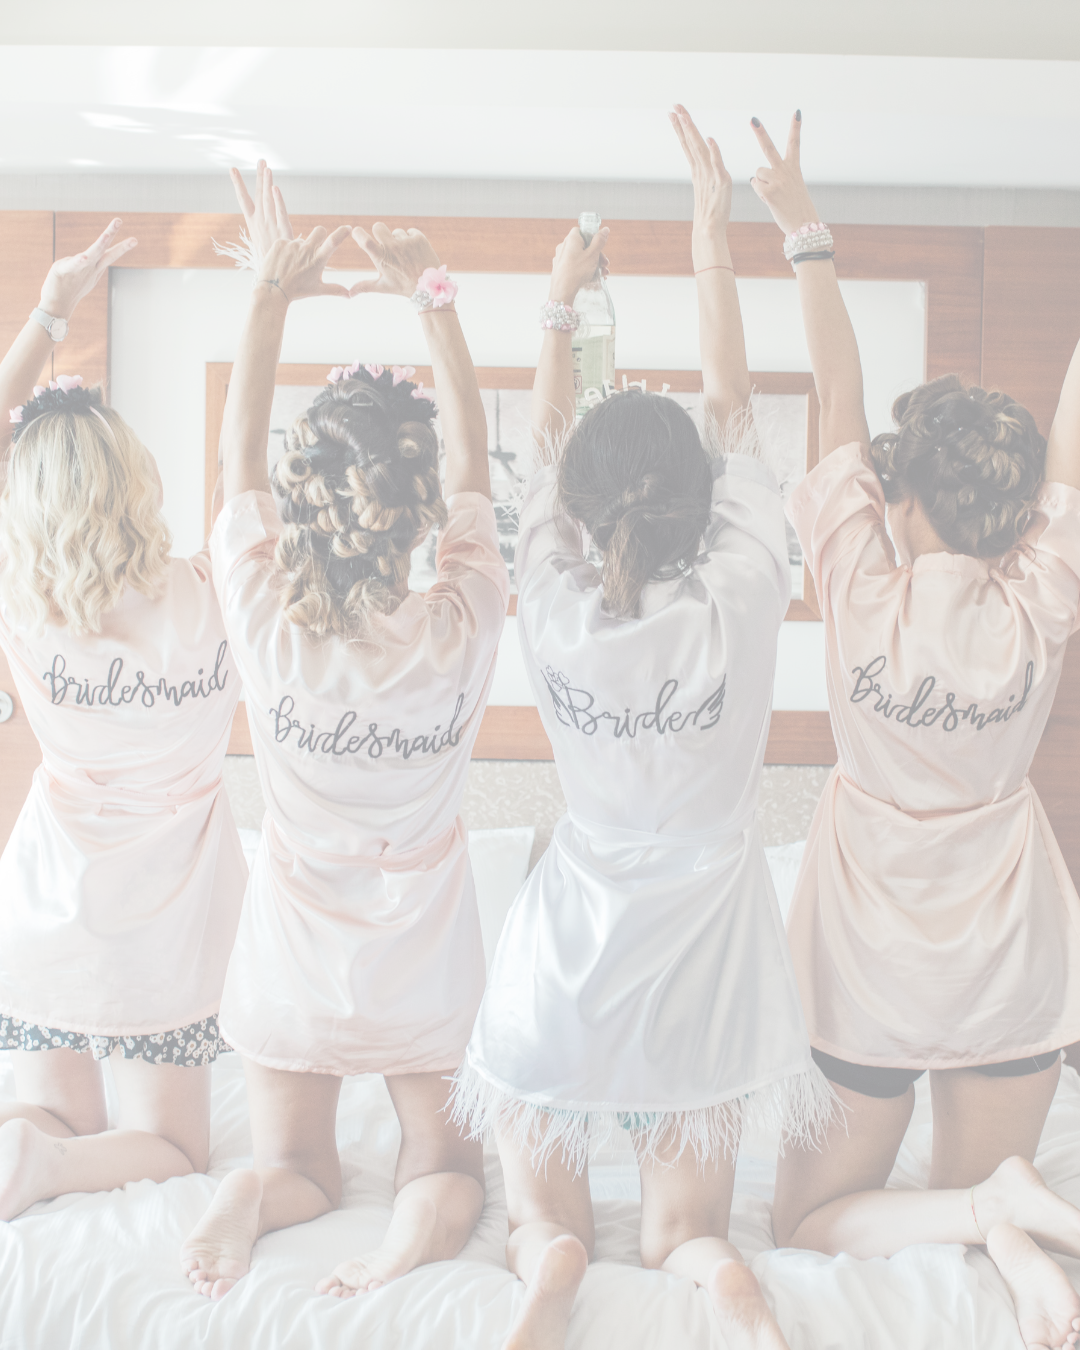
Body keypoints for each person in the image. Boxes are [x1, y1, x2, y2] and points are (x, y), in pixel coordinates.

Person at [451, 108, 831, 1350]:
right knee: (685, 1229)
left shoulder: (552, 609)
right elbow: (731, 402)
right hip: (708, 951)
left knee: (535, 1211)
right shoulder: (743, 594)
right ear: (709, 505)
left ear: (582, 510)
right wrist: (713, 239)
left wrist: (560, 303)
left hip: (568, 949)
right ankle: (717, 1276)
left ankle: (548, 1263)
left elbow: (542, 457)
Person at [749, 111, 1080, 1350]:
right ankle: (1013, 1230)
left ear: (900, 497)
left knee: (808, 1221)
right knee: (954, 1189)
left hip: (867, 972)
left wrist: (803, 231)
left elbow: (831, 389)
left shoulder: (859, 590)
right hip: (1009, 961)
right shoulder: (1043, 596)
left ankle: (986, 1216)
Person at [181, 165, 508, 1301]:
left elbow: (231, 471)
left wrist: (270, 294)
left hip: (293, 958)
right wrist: (434, 297)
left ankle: (250, 1197)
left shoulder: (268, 626)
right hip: (425, 968)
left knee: (297, 1166)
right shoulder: (461, 626)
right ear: (415, 512)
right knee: (450, 1165)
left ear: (305, 497)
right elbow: (476, 471)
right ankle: (408, 1243)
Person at [0, 221, 246, 1219]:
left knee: (49, 1112)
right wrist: (264, 296)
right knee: (174, 1146)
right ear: (137, 480)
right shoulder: (213, 593)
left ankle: (31, 1147)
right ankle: (48, 1169)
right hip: (165, 929)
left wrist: (51, 310)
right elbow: (246, 469)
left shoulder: (22, 597)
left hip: (46, 907)